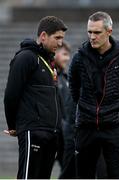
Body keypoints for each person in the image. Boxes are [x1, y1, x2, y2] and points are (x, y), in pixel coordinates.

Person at [68, 11, 119, 179]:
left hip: (115, 127)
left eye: (97, 32)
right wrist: (87, 111)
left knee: (117, 176)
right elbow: (74, 89)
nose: (92, 36)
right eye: (89, 32)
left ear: (109, 32)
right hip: (86, 127)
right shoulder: (79, 58)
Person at [4, 16, 67, 179]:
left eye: (62, 38)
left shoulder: (49, 62)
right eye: (57, 38)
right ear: (43, 36)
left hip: (51, 133)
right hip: (33, 130)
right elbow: (11, 94)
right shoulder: (25, 57)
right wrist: (13, 125)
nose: (60, 43)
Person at [54, 42, 76, 178]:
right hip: (52, 135)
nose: (67, 58)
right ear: (55, 53)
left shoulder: (66, 79)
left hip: (65, 137)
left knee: (71, 173)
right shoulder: (47, 76)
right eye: (64, 54)